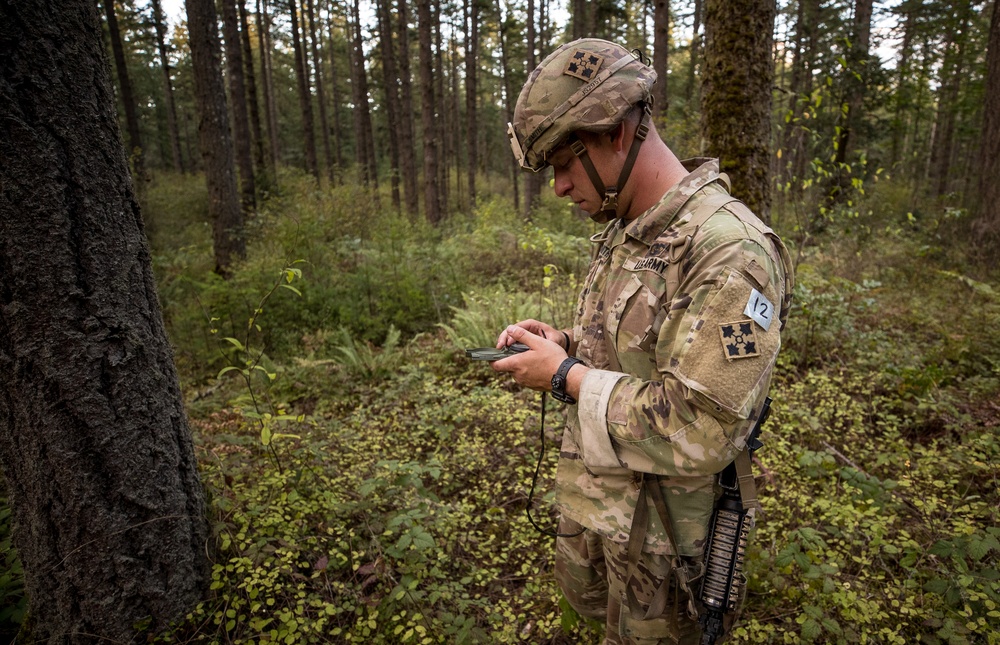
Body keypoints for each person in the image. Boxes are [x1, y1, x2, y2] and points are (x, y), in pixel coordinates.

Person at [492, 38, 793, 644]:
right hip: (605, 519)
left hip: (667, 554)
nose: (557, 188)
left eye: (563, 164)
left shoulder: (732, 251)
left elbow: (702, 424)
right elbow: (642, 341)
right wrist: (566, 343)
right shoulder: (628, 226)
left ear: (618, 134)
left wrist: (564, 376)